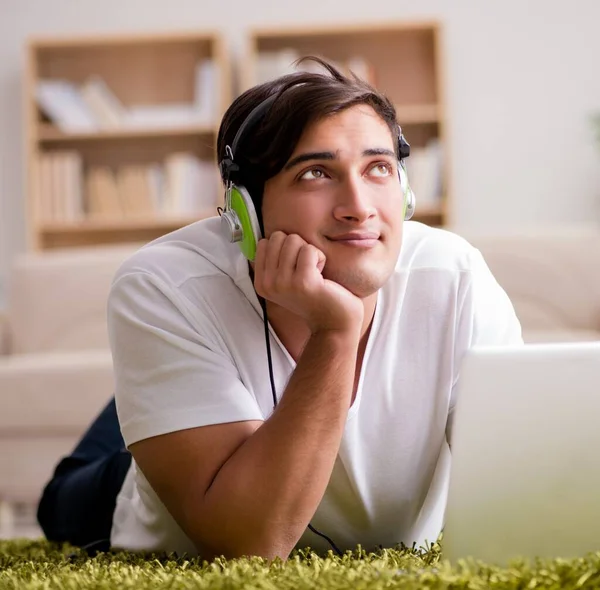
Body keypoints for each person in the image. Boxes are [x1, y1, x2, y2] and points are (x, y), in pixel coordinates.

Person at [37, 57, 522, 561]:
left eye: (378, 168)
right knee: (64, 502)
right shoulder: (164, 285)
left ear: (405, 192)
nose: (358, 205)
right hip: (132, 481)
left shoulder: (456, 275)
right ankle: (157, 394)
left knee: (181, 385)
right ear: (247, 210)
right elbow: (248, 545)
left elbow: (522, 482)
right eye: (316, 173)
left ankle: (173, 383)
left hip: (216, 384)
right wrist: (335, 332)